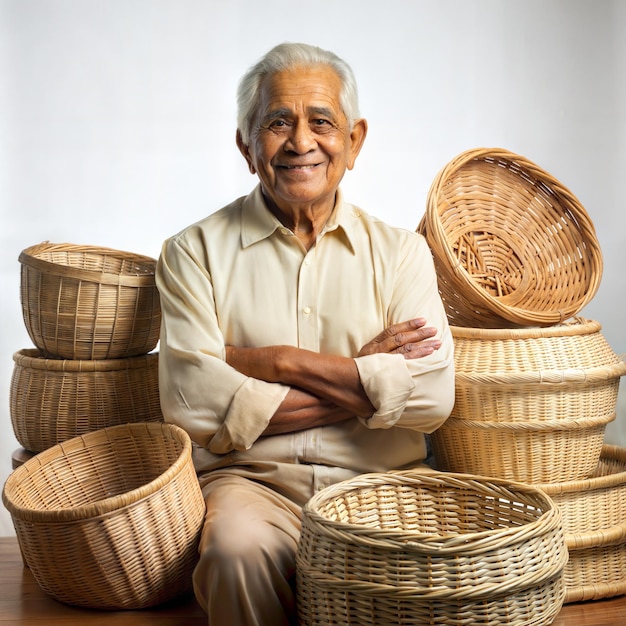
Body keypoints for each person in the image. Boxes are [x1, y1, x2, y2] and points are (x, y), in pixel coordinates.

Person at [156, 42, 455, 626]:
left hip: (383, 484)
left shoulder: (401, 253)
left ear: (355, 140)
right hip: (250, 486)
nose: (300, 142)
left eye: (321, 122)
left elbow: (430, 399)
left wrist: (275, 363)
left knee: (427, 571)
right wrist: (364, 378)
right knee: (233, 553)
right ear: (246, 145)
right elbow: (193, 406)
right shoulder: (192, 253)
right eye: (276, 123)